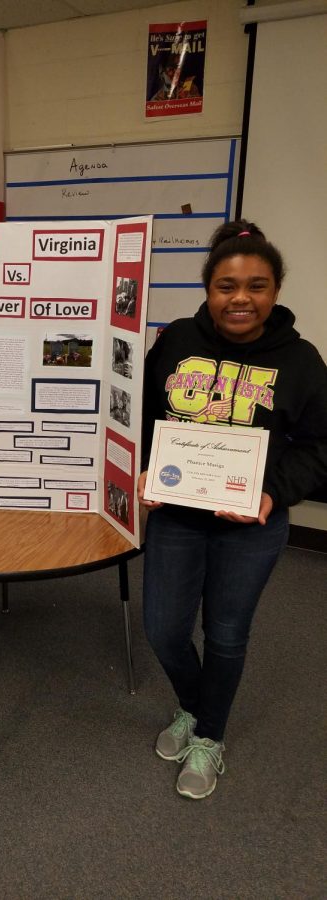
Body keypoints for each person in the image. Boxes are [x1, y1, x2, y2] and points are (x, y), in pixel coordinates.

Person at [138, 221, 327, 800]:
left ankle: (209, 737)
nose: (240, 297)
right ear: (208, 289)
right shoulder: (175, 342)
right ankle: (194, 708)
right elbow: (144, 415)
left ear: (275, 291)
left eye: (256, 285)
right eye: (226, 285)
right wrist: (142, 464)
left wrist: (274, 492)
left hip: (253, 523)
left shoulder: (299, 360)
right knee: (165, 629)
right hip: (178, 514)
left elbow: (322, 448)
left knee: (224, 634)